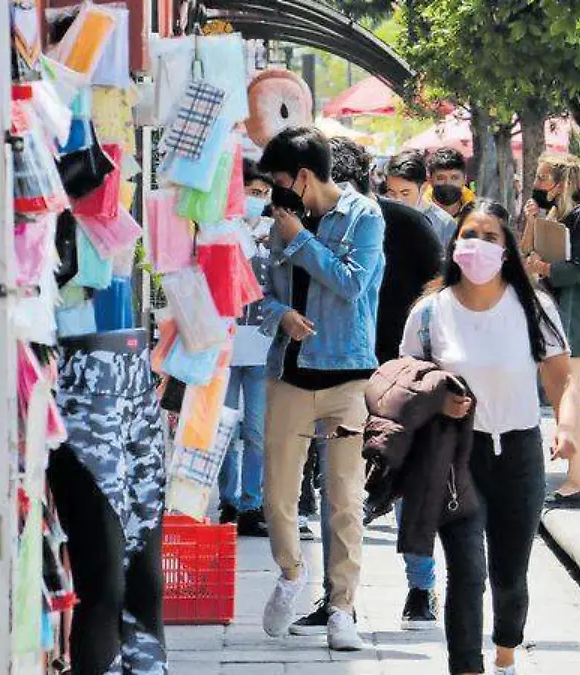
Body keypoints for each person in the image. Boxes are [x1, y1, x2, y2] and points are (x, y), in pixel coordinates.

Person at [400, 199, 580, 675]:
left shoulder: (532, 307)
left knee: (508, 576)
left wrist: (565, 426)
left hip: (518, 453)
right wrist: (439, 402)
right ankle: (466, 667)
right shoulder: (429, 312)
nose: (477, 246)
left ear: (507, 250)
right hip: (454, 456)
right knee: (466, 573)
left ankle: (505, 653)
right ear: (454, 243)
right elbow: (405, 384)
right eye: (469, 235)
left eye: (489, 237)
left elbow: (561, 380)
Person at [288, 137, 446, 636]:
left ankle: (421, 589)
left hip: (403, 376)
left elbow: (441, 291)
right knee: (339, 489)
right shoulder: (311, 225)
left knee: (408, 485)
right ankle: (339, 601)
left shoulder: (407, 225)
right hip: (340, 374)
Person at [256, 127, 385, 650]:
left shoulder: (364, 216)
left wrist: (302, 241)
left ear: (304, 176)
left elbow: (353, 283)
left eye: (282, 180)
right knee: (278, 494)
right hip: (290, 373)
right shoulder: (279, 225)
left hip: (347, 374)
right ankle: (291, 575)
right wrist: (279, 313)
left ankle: (341, 609)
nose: (277, 192)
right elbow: (259, 293)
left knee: (344, 498)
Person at [523, 153, 580, 508]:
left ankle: (579, 479)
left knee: (571, 399)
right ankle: (578, 477)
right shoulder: (556, 216)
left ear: (562, 182)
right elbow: (528, 252)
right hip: (555, 314)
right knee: (562, 399)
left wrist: (546, 268)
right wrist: (532, 224)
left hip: (574, 315)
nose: (538, 184)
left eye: (543, 178)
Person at [217, 159, 276, 537]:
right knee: (223, 429)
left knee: (256, 430)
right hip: (224, 346)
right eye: (252, 192)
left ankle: (252, 504)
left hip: (262, 346)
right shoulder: (223, 230)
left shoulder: (275, 232)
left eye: (263, 194)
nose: (257, 199)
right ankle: (228, 500)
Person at [385, 148, 459, 247]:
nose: (398, 200)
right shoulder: (379, 219)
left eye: (405, 193)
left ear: (423, 187)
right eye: (392, 193)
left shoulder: (444, 224)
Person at [427, 147, 476, 220]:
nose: (448, 183)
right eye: (441, 178)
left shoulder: (476, 215)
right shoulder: (418, 214)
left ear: (464, 179)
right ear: (430, 180)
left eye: (454, 178)